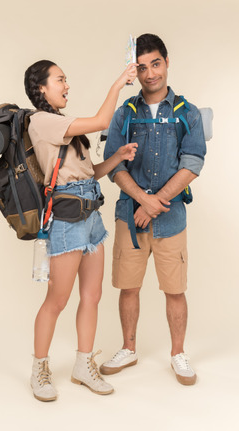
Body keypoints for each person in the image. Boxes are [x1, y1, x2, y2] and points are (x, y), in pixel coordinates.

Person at [24, 59, 138, 401]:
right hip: (67, 221)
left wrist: (117, 156)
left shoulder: (63, 124)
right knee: (57, 301)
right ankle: (39, 370)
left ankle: (82, 365)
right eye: (60, 80)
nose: (67, 85)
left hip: (91, 218)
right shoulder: (42, 122)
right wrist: (119, 83)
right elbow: (103, 120)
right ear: (41, 88)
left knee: (92, 296)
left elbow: (89, 175)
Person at [101, 34, 206, 385]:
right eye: (142, 67)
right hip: (129, 218)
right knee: (127, 288)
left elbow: (192, 163)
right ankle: (128, 348)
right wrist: (143, 201)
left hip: (170, 219)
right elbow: (113, 166)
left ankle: (178, 353)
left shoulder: (187, 112)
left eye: (155, 64)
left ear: (166, 62)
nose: (149, 74)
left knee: (175, 290)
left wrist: (155, 203)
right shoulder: (124, 113)